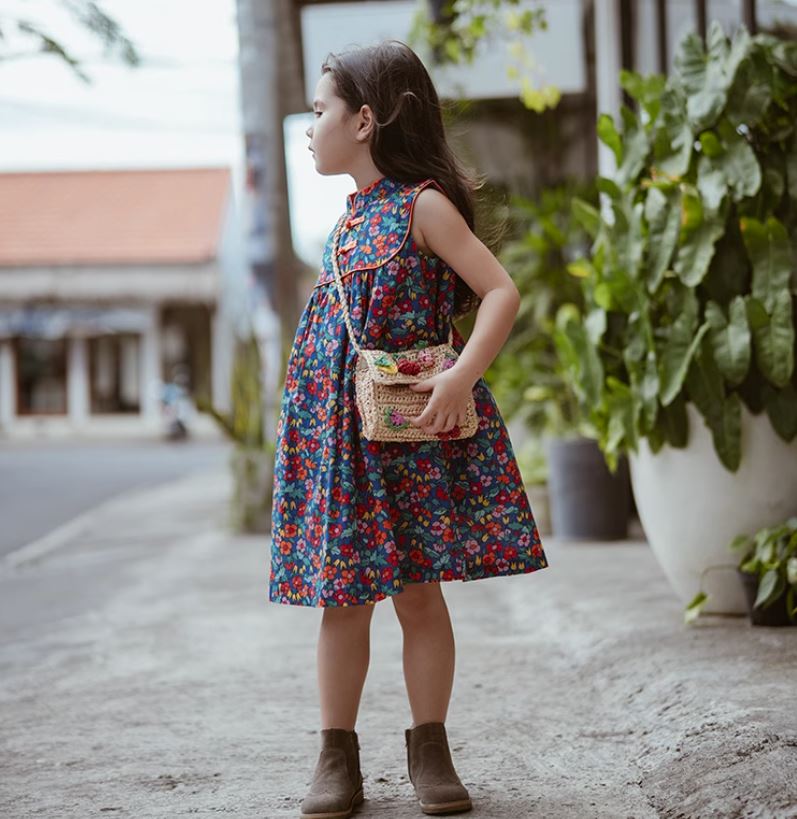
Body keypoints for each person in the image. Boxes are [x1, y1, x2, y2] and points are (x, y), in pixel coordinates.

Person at [269, 39, 550, 819]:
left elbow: (499, 291)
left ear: (364, 120)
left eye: (319, 111)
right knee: (343, 599)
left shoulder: (422, 204)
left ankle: (430, 747)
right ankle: (336, 754)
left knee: (419, 595)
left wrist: (461, 375)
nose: (309, 127)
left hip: (408, 436)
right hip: (346, 443)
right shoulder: (347, 222)